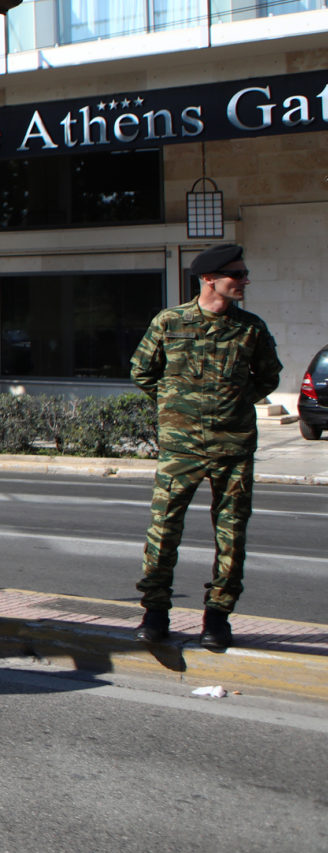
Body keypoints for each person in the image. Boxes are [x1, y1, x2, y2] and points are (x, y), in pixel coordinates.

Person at [128, 243, 282, 652]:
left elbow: (268, 377)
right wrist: (175, 405)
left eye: (245, 273)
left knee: (232, 535)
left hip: (233, 447)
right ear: (210, 278)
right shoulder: (170, 322)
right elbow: (142, 370)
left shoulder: (251, 328)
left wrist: (232, 401)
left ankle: (218, 617)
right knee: (163, 530)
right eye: (238, 275)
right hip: (181, 448)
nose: (246, 281)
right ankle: (155, 613)